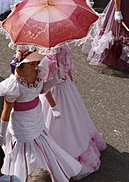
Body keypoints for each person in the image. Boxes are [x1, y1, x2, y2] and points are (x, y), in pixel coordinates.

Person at [0, 50, 82, 182]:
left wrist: (55, 80)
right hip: (22, 123)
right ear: (25, 64)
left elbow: (41, 90)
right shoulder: (13, 84)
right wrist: (2, 135)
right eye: (33, 62)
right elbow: (6, 111)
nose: (37, 63)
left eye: (37, 61)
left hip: (37, 116)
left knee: (41, 141)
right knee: (27, 147)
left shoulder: (38, 71)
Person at [40, 45, 107, 179]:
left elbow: (44, 88)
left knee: (55, 127)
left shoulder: (46, 60)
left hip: (54, 94)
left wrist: (53, 106)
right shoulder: (65, 50)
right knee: (74, 121)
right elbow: (69, 72)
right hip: (66, 88)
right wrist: (70, 87)